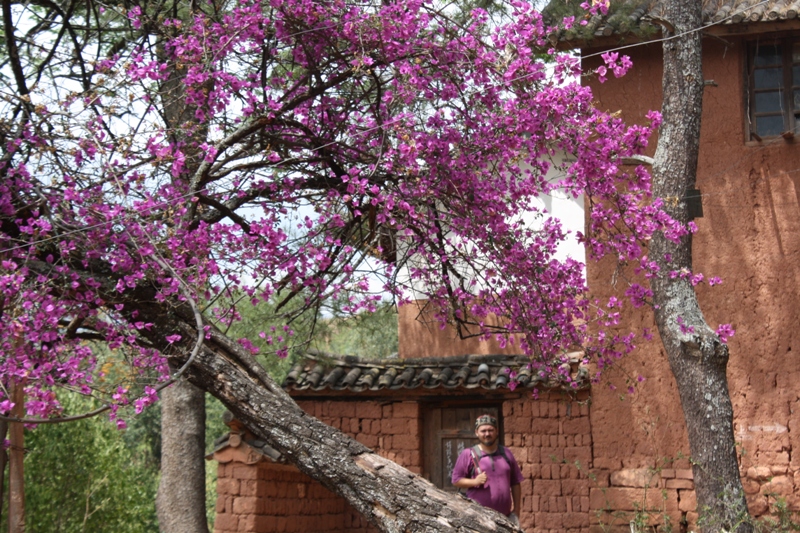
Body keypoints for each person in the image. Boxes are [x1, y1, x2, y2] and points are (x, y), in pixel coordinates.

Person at [451, 414, 524, 526]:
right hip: (477, 519)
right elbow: (456, 480)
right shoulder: (468, 454)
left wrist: (517, 511)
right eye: (483, 431)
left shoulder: (506, 453)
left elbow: (515, 483)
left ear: (497, 431)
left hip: (505, 519)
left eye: (490, 430)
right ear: (477, 433)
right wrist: (475, 482)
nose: (487, 434)